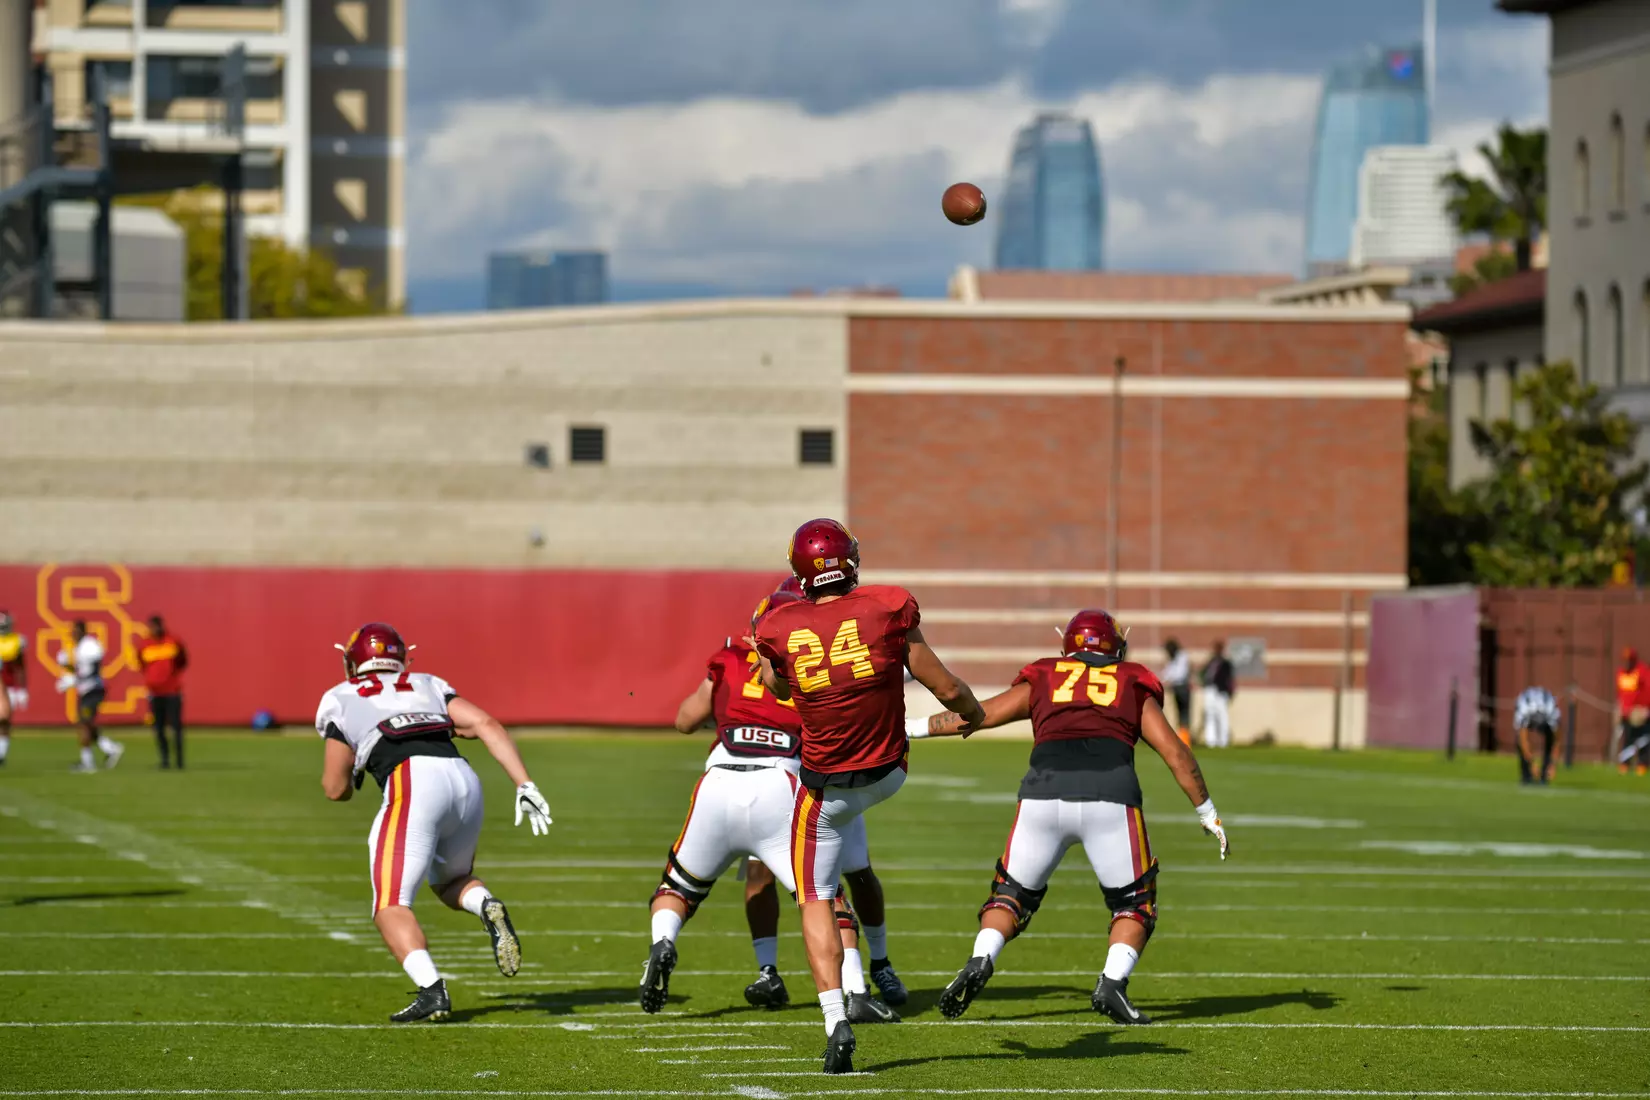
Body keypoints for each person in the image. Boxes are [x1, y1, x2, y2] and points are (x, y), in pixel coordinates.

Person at [751, 518, 985, 1074]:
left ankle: (836, 1019)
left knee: (815, 896)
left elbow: (778, 686)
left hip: (826, 787)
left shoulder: (779, 625)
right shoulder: (887, 606)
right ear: (849, 561)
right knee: (853, 858)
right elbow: (946, 687)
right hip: (887, 772)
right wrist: (973, 716)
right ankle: (874, 967)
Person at [919, 609, 1229, 1025]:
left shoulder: (1046, 675)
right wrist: (1207, 811)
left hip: (1042, 797)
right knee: (1135, 903)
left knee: (1009, 894)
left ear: (1066, 645)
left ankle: (980, 958)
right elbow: (1176, 754)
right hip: (1111, 799)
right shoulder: (1132, 681)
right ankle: (1112, 984)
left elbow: (979, 714)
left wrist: (909, 727)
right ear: (1117, 645)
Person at [642, 585, 901, 1024]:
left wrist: (728, 710)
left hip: (720, 778)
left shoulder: (727, 660)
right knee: (824, 895)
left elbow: (685, 720)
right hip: (789, 781)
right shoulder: (814, 663)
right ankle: (856, 990)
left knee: (678, 887)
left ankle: (664, 941)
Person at [315, 621, 552, 1023]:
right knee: (448, 881)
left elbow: (334, 788)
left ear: (353, 661)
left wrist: (356, 769)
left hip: (412, 781)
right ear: (400, 656)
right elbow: (486, 725)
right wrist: (524, 784)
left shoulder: (341, 695)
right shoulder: (426, 683)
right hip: (463, 779)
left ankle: (431, 990)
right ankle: (486, 904)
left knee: (390, 903)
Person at [57, 621, 123, 772]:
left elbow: (94, 670)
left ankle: (88, 762)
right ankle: (110, 748)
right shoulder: (78, 648)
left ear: (82, 631)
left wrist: (74, 680)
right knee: (85, 723)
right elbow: (80, 670)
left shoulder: (91, 646)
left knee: (84, 723)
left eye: (75, 630)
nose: (73, 634)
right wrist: (67, 666)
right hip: (85, 690)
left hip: (93, 690)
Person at [137, 615, 189, 769]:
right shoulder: (145, 645)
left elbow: (183, 661)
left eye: (156, 626)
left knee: (176, 727)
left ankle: (179, 760)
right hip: (155, 692)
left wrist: (171, 677)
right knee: (159, 728)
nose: (154, 630)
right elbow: (142, 665)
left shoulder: (173, 641)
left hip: (172, 691)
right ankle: (164, 760)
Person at [1513, 686, 1562, 786]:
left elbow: (1557, 741)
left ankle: (1544, 776)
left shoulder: (1551, 710)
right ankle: (1526, 776)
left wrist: (1553, 765)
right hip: (1526, 709)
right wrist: (1532, 764)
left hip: (1547, 712)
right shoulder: (1524, 709)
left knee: (1550, 740)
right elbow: (1524, 740)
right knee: (1519, 742)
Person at [1616, 647, 1650, 776]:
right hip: (1626, 713)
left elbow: (1648, 690)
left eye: (1628, 660)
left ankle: (1642, 764)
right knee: (1627, 738)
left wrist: (1646, 708)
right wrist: (1619, 708)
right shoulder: (1621, 673)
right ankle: (1625, 763)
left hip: (1639, 712)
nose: (1626, 663)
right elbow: (1620, 693)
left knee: (1642, 739)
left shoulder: (1641, 671)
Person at [0, 611, 27, 767]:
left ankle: (1, 754)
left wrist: (22, 689)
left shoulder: (16, 641)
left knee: (4, 720)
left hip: (8, 686)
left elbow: (20, 667)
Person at [1199, 639, 1235, 748]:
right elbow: (1202, 673)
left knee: (1222, 715)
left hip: (1221, 691)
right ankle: (1211, 740)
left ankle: (1223, 740)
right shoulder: (1210, 662)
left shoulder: (1226, 663)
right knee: (1210, 714)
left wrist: (1229, 692)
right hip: (1210, 690)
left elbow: (1229, 679)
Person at [1160, 638, 1192, 744]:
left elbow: (1180, 674)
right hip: (1175, 688)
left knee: (1184, 714)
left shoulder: (1182, 656)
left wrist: (1169, 680)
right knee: (1178, 714)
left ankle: (1186, 740)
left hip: (1183, 687)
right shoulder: (1172, 659)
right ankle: (1182, 738)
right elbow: (1167, 672)